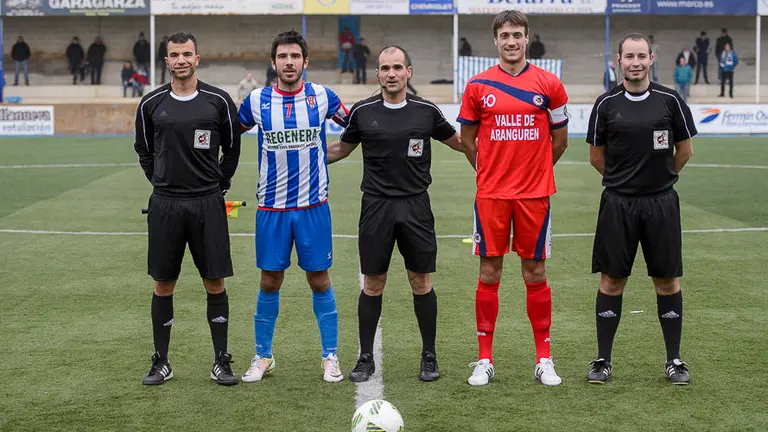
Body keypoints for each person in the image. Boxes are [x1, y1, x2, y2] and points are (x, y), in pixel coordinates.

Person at [326, 45, 463, 383]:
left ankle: (429, 356)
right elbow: (340, 150)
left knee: (421, 281)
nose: (391, 73)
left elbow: (460, 142)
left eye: (397, 67)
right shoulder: (363, 111)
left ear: (409, 72)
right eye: (385, 67)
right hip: (375, 206)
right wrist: (299, 155)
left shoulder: (426, 111)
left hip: (416, 205)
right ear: (377, 74)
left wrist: (497, 151)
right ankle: (365, 357)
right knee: (373, 283)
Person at [458, 9, 569, 387]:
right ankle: (484, 359)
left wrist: (535, 170)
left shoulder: (550, 84)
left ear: (527, 38)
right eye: (504, 34)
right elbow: (467, 141)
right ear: (495, 40)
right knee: (489, 273)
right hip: (491, 195)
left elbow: (561, 140)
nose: (511, 41)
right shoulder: (477, 86)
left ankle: (544, 358)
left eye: (517, 34)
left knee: (535, 273)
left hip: (535, 196)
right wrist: (489, 171)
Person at [237, 29, 349, 384]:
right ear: (273, 62)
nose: (289, 62)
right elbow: (226, 132)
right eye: (282, 57)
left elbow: (359, 126)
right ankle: (263, 355)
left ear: (305, 61)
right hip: (271, 208)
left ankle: (330, 355)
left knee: (319, 279)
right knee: (269, 280)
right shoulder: (256, 101)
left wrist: (332, 154)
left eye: (294, 57)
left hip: (313, 206)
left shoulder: (323, 96)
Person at [585, 33, 695, 386]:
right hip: (618, 203)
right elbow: (596, 157)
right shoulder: (605, 104)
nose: (635, 62)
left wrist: (659, 180)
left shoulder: (670, 100)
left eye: (641, 56)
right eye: (628, 56)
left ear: (651, 59)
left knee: (667, 280)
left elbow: (685, 150)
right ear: (618, 61)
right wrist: (625, 183)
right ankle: (603, 360)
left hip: (661, 203)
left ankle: (674, 360)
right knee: (612, 280)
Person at [133, 31, 242, 387]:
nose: (181, 60)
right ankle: (161, 361)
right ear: (166, 61)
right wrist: (161, 182)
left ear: (197, 58)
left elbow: (233, 148)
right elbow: (144, 150)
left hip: (208, 203)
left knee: (214, 282)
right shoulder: (150, 104)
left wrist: (218, 185)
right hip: (166, 204)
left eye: (187, 54)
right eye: (174, 55)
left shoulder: (219, 101)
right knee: (164, 284)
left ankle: (220, 361)